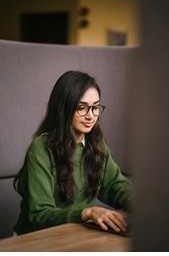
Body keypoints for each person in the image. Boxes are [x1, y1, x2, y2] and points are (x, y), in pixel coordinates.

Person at [13, 70, 133, 235]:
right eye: (82, 108)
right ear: (64, 109)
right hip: (34, 240)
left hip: (75, 234)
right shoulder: (41, 147)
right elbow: (40, 215)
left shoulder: (96, 143)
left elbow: (115, 186)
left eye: (95, 107)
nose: (91, 116)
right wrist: (86, 213)